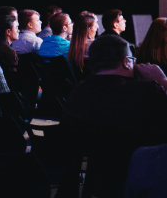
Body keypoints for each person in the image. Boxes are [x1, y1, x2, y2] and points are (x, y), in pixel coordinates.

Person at [61, 35, 167, 197]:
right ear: (126, 61)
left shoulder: (78, 91)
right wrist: (163, 81)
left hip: (98, 180)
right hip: (149, 178)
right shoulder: (147, 91)